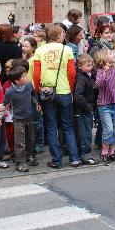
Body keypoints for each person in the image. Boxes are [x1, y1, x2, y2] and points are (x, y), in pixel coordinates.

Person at [33, 24, 81, 169]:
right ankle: (74, 158)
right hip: (64, 91)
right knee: (67, 126)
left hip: (47, 93)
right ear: (60, 35)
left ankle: (56, 160)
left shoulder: (40, 50)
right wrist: (71, 90)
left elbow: (36, 74)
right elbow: (72, 73)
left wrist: (37, 92)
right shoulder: (67, 50)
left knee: (51, 127)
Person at [0, 65, 35, 172]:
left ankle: (30, 156)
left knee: (31, 139)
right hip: (18, 120)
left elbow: (32, 95)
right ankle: (20, 163)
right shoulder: (10, 91)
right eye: (24, 76)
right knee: (20, 143)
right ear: (17, 81)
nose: (27, 77)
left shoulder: (28, 85)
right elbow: (4, 104)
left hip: (29, 117)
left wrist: (37, 104)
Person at [72, 53, 97, 165]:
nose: (90, 68)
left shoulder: (87, 76)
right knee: (85, 134)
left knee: (86, 133)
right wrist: (88, 107)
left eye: (91, 65)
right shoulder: (81, 78)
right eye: (87, 65)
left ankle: (84, 154)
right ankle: (85, 155)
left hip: (86, 110)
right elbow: (78, 96)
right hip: (83, 111)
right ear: (80, 66)